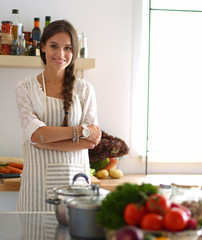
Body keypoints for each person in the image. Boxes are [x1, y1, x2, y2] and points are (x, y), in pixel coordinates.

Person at [15, 19, 101, 212]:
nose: (61, 54)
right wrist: (80, 131)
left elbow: (91, 141)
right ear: (43, 47)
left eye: (68, 48)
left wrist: (45, 141)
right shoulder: (25, 88)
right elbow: (36, 135)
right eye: (54, 46)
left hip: (76, 187)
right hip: (35, 190)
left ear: (74, 52)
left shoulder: (85, 89)